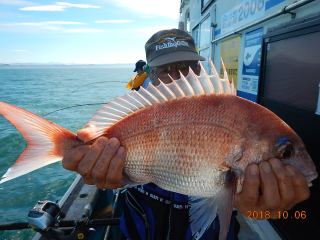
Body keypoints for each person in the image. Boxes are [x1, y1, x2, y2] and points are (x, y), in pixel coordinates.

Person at [62, 29, 310, 239]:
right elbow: (121, 175)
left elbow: (239, 204)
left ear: (198, 68)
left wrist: (258, 209)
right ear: (150, 73)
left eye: (186, 65)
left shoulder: (239, 116)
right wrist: (111, 174)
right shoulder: (130, 116)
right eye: (165, 68)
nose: (177, 74)